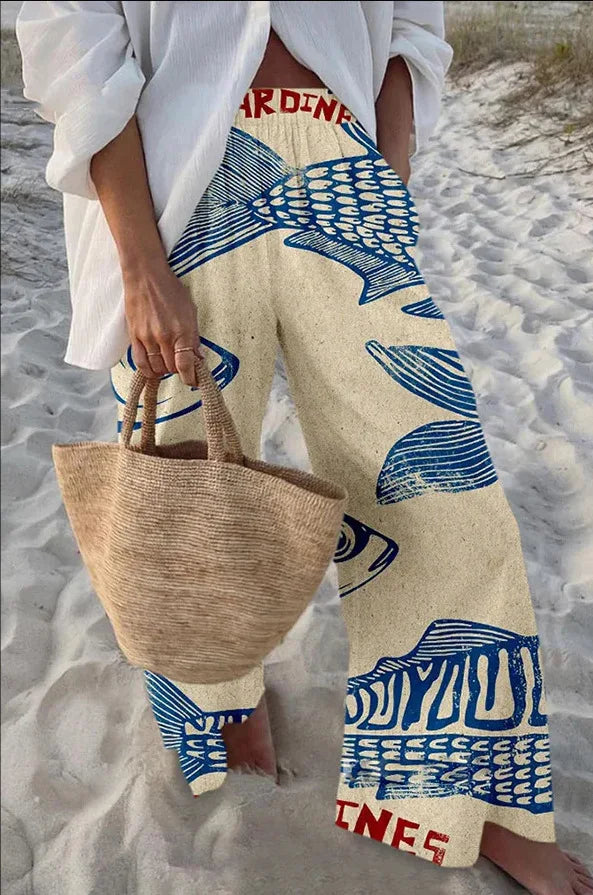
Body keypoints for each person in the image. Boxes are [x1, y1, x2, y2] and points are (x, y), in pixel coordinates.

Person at [15, 2, 592, 892]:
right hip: (181, 187)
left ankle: (457, 793)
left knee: (452, 503)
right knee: (193, 491)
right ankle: (221, 707)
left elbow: (411, 29)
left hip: (345, 170)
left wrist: (386, 176)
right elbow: (77, 48)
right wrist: (139, 266)